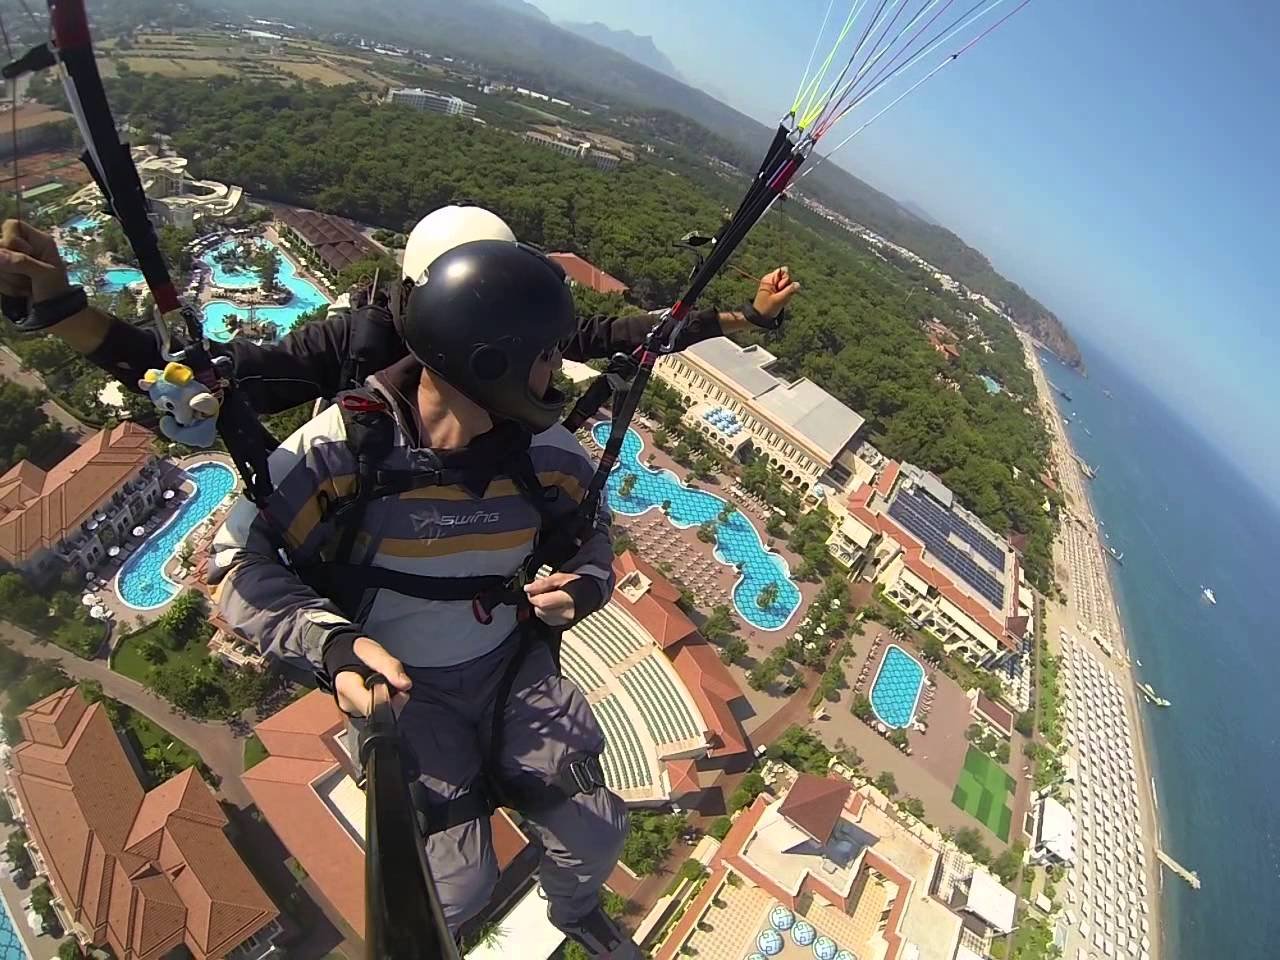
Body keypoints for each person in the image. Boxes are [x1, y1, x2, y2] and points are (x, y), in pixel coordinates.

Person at [207, 239, 645, 956]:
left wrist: (587, 586)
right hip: (405, 690)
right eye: (544, 354)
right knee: (452, 885)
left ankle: (574, 912)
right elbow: (238, 567)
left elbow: (590, 534)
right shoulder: (340, 452)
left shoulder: (548, 458)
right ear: (489, 361)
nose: (557, 371)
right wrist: (332, 643)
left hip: (511, 670)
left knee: (595, 832)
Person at [0, 206, 799, 417]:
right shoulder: (361, 337)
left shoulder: (522, 339)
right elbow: (212, 381)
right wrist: (64, 308)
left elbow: (629, 333)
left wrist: (743, 320)